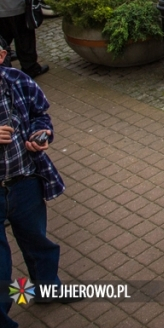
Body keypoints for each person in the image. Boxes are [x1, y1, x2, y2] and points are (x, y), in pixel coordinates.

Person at [0, 30, 65, 328]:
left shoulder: (19, 82)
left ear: (1, 57)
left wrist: (42, 134)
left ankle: (47, 289)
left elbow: (41, 114)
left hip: (24, 180)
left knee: (38, 241)